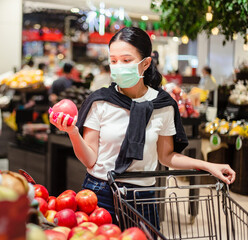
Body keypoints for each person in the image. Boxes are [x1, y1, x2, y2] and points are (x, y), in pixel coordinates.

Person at [49, 27, 235, 227]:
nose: (118, 66)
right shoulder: (100, 101)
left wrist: (208, 166)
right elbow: (90, 159)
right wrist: (73, 132)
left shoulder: (162, 105)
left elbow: (167, 156)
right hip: (100, 193)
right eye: (113, 60)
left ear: (145, 63)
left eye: (126, 60)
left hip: (143, 197)